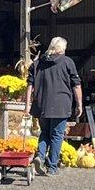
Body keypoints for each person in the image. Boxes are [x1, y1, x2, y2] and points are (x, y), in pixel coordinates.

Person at [25, 37, 82, 176]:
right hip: (61, 105)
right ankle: (52, 167)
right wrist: (79, 104)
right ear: (62, 49)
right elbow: (76, 85)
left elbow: (30, 85)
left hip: (42, 104)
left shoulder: (37, 63)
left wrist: (27, 105)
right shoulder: (68, 62)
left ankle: (40, 156)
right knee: (57, 135)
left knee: (44, 133)